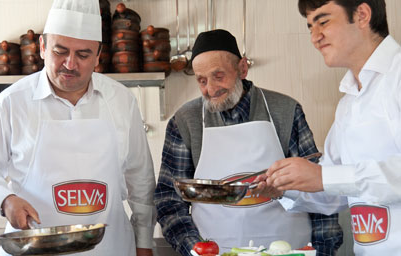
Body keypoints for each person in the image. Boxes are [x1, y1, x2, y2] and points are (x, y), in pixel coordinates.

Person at [0, 0, 155, 255]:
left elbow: (140, 179)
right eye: (60, 51)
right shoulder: (10, 104)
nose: (70, 64)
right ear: (42, 47)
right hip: (34, 250)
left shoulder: (121, 101)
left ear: (98, 56)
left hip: (109, 248)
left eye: (83, 54)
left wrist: (144, 243)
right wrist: (4, 200)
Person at [154, 29, 343, 256]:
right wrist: (194, 248)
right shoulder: (185, 121)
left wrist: (324, 250)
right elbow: (169, 199)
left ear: (242, 68)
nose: (211, 89)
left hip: (289, 250)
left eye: (219, 76)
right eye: (202, 81)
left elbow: (317, 187)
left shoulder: (285, 111)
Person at [255, 0, 401, 255]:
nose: (314, 37)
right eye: (310, 26)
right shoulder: (348, 104)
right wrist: (284, 188)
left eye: (323, 22)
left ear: (362, 15)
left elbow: (330, 179)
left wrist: (323, 177)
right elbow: (335, 193)